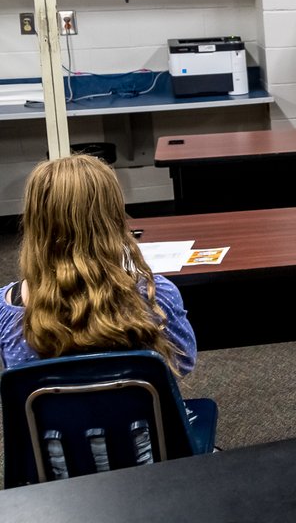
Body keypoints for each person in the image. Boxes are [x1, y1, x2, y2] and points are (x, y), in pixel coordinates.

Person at [0, 154, 196, 375]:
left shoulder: (6, 311)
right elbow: (182, 362)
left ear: (36, 225)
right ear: (113, 219)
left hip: (52, 411)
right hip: (136, 410)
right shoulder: (156, 295)